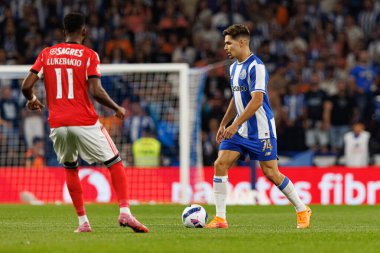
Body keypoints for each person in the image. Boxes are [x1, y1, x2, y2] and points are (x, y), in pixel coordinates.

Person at [21, 12, 149, 233]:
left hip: (58, 124)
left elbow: (26, 86)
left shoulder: (47, 54)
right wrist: (116, 108)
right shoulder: (89, 55)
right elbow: (96, 91)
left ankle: (83, 223)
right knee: (115, 162)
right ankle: (125, 212)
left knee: (71, 168)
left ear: (63, 32)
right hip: (84, 121)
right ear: (84, 31)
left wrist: (32, 100)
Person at [205, 24, 311, 229]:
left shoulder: (257, 67)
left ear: (242, 42)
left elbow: (257, 101)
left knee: (271, 172)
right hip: (239, 129)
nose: (225, 47)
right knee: (220, 164)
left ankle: (301, 208)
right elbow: (236, 98)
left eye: (229, 43)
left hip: (261, 130)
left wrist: (234, 124)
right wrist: (224, 123)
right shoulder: (234, 67)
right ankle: (220, 218)